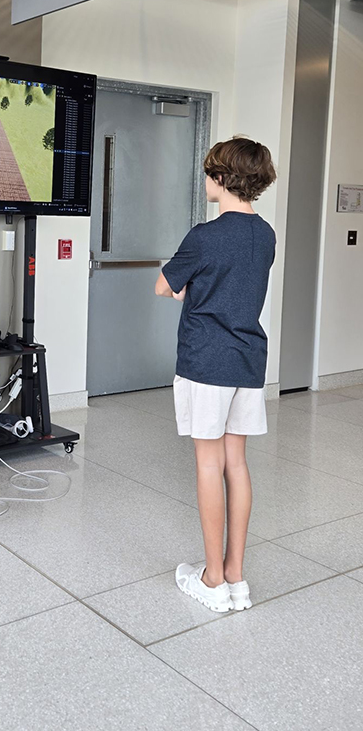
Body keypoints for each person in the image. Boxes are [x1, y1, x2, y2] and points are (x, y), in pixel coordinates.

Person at [155, 137, 276, 613]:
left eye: (209, 172)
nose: (205, 179)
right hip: (249, 361)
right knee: (237, 464)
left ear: (222, 178)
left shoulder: (204, 235)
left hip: (206, 362)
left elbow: (164, 286)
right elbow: (238, 284)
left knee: (208, 465)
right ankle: (236, 578)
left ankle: (211, 581)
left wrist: (189, 292)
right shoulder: (264, 233)